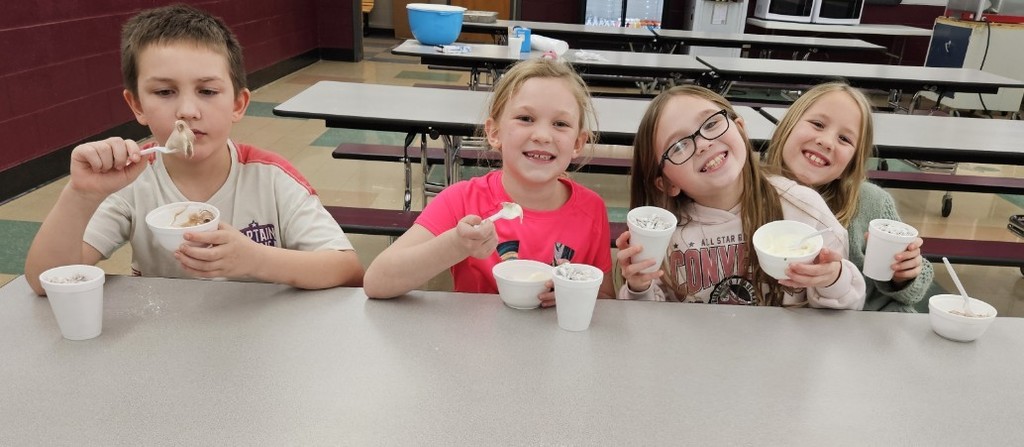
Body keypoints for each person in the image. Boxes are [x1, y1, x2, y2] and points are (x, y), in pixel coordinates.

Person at [24, 4, 363, 295]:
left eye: (207, 91)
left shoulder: (270, 179)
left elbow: (347, 271)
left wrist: (256, 259)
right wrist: (81, 195)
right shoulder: (129, 181)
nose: (187, 111)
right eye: (165, 92)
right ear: (137, 105)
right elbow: (45, 281)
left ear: (238, 103)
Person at [364, 58, 614, 303]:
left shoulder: (591, 210)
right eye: (526, 119)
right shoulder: (461, 200)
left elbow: (605, 298)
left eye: (560, 124)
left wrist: (571, 294)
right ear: (495, 133)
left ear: (578, 143)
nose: (541, 135)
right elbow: (377, 281)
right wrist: (455, 245)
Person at [616, 85, 865, 308]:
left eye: (711, 124)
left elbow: (847, 308)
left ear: (741, 130)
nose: (703, 143)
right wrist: (639, 287)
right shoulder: (662, 238)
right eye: (679, 145)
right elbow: (648, 323)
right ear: (667, 183)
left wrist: (833, 278)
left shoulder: (803, 207)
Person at [762, 82, 935, 312]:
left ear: (851, 163)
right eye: (817, 124)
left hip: (863, 329)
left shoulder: (870, 202)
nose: (826, 141)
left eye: (844, 139)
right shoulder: (748, 192)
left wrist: (904, 273)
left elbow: (913, 289)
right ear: (787, 127)